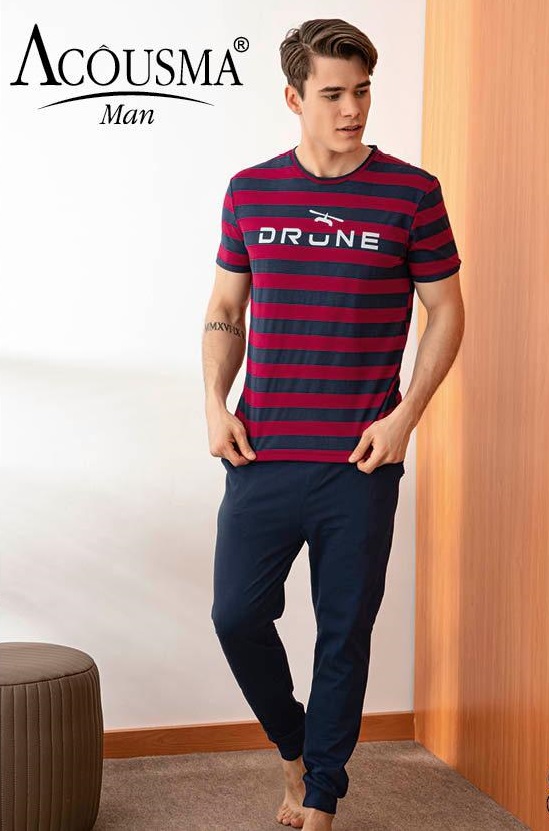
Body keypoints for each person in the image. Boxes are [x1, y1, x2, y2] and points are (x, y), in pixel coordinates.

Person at [201, 17, 464, 831]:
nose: (352, 108)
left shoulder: (411, 193)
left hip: (360, 458)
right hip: (262, 450)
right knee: (236, 616)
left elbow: (446, 311)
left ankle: (320, 794)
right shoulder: (250, 190)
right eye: (333, 93)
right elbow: (225, 306)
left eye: (362, 91)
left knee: (343, 632)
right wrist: (213, 402)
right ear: (294, 98)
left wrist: (405, 417)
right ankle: (296, 746)